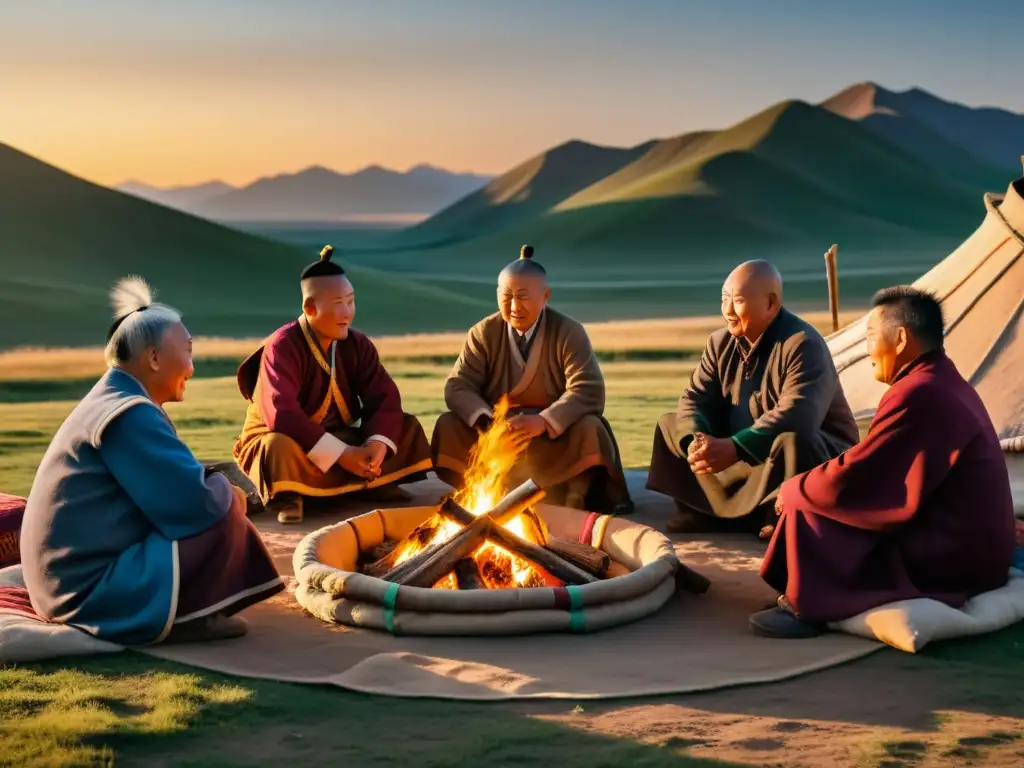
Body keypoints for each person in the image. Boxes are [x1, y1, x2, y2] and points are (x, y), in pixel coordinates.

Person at [20, 277, 284, 646]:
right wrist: (232, 496)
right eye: (188, 352)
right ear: (154, 358)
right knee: (222, 513)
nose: (191, 367)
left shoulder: (115, 398)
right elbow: (193, 505)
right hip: (88, 592)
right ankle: (190, 618)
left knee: (220, 498)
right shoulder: (129, 413)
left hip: (63, 582)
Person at [750, 287, 1017, 638]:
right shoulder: (940, 379)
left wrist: (794, 489)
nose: (867, 349)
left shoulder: (919, 392)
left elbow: (861, 479)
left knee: (814, 510)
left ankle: (808, 606)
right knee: (821, 496)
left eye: (872, 336)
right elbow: (876, 465)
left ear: (901, 338)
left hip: (958, 556)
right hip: (980, 550)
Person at [646, 260, 859, 534]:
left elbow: (799, 413)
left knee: (793, 439)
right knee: (671, 425)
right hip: (740, 458)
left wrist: (736, 447)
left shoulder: (802, 344)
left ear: (770, 303)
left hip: (797, 457)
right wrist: (697, 441)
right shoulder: (719, 343)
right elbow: (696, 397)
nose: (727, 311)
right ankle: (702, 511)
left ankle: (778, 512)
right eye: (724, 300)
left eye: (737, 301)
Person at [233, 246, 432, 523]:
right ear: (309, 308)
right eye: (339, 303)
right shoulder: (283, 346)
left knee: (405, 426)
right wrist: (342, 454)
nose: (347, 312)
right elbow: (282, 414)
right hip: (293, 443)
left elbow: (384, 397)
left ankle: (373, 477)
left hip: (338, 438)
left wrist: (375, 446)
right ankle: (291, 496)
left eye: (351, 301)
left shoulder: (357, 344)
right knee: (276, 448)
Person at [430, 245, 633, 514]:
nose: (514, 306)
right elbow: (458, 385)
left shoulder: (569, 331)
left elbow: (588, 389)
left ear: (545, 296)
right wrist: (487, 423)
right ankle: (482, 489)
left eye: (523, 297)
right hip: (499, 433)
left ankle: (575, 493)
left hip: (554, 434)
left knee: (590, 428)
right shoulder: (484, 332)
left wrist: (544, 421)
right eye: (506, 296)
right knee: (448, 425)